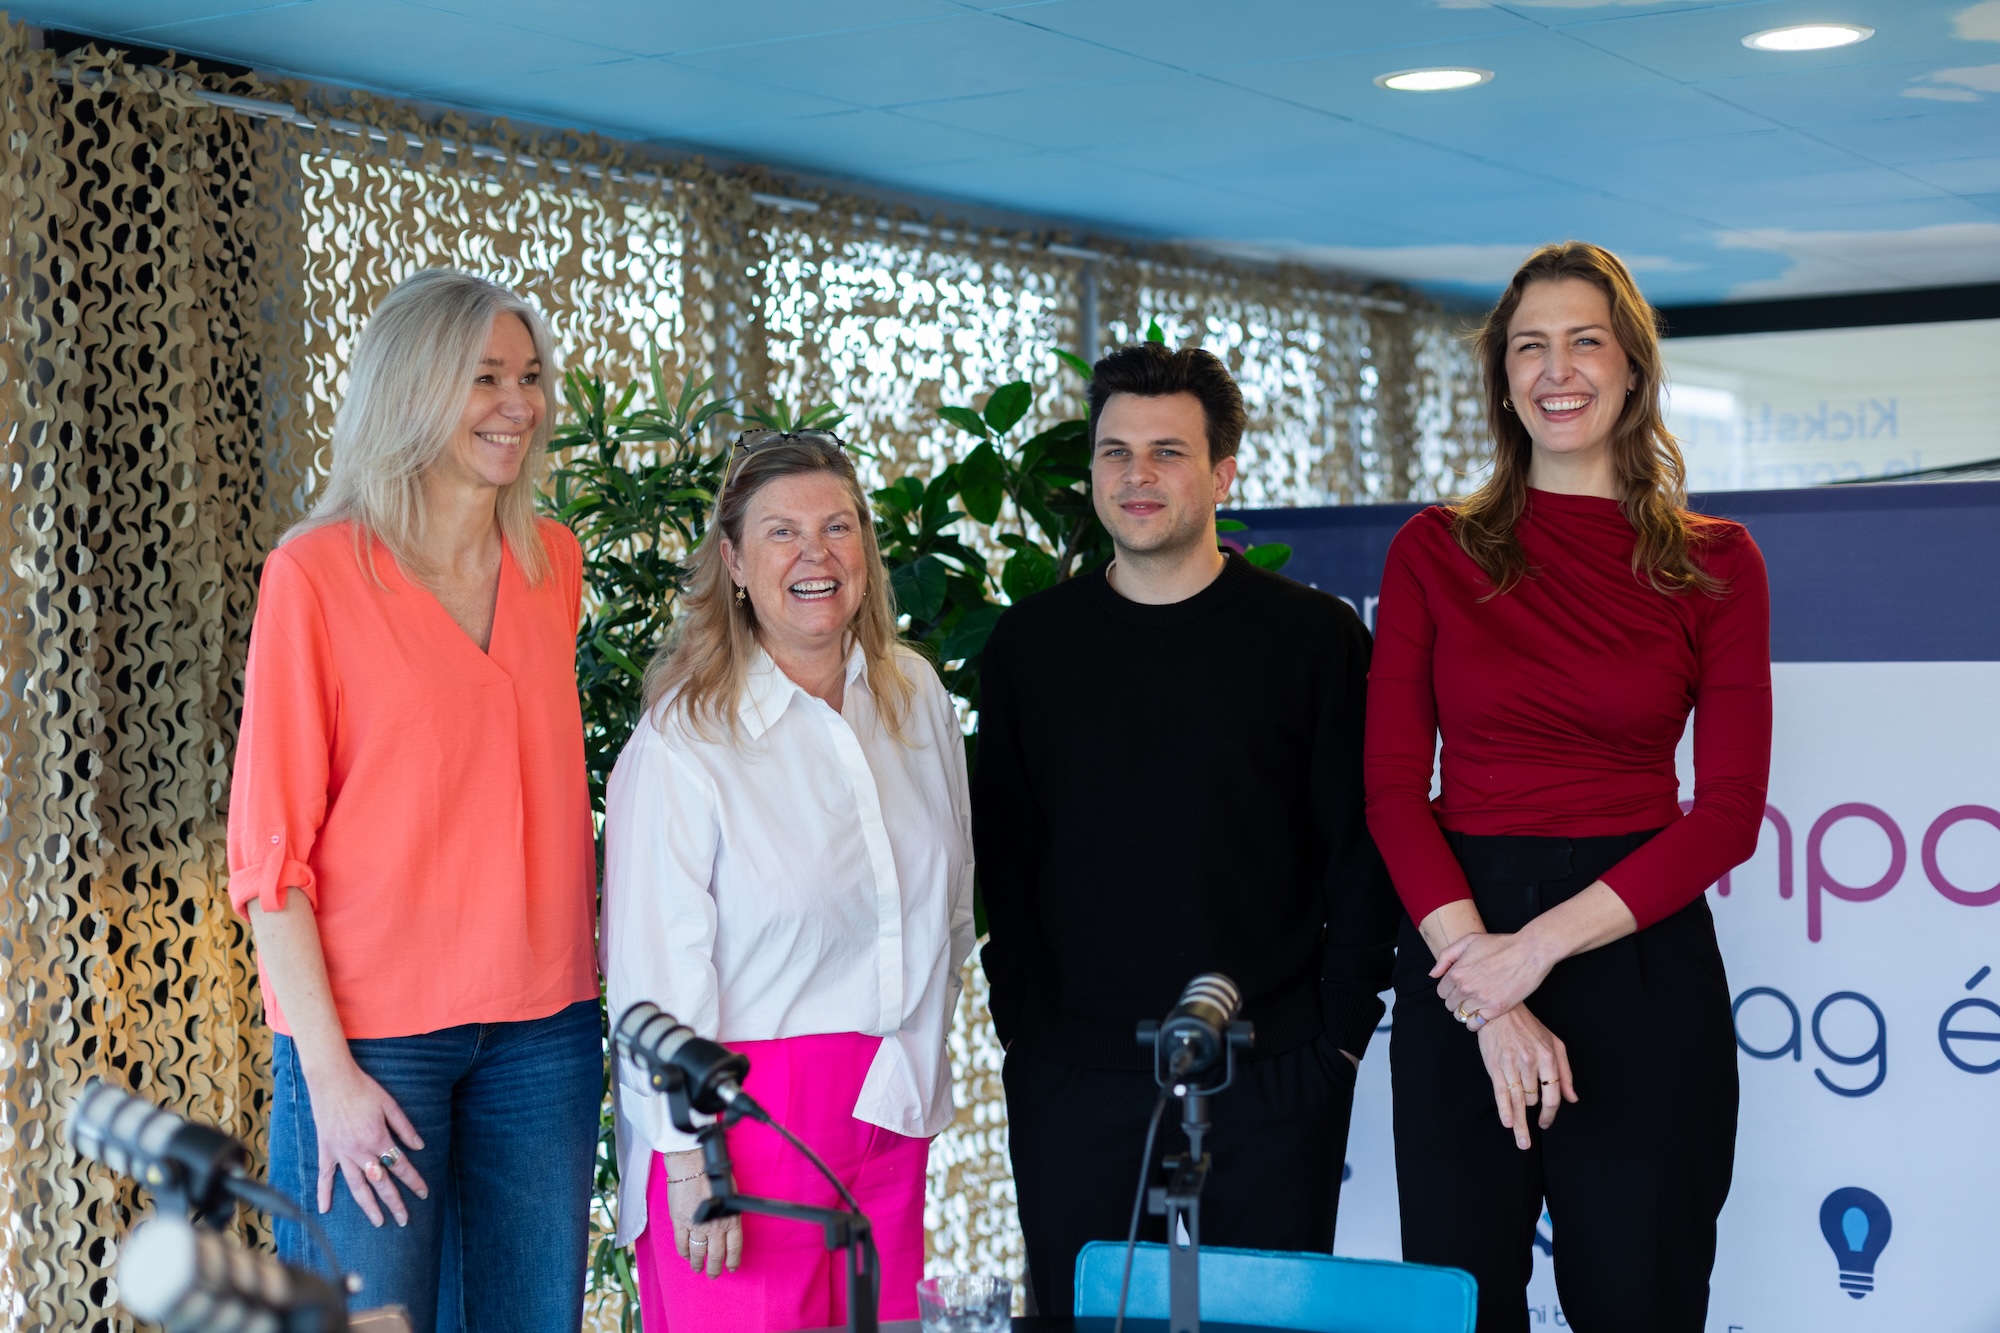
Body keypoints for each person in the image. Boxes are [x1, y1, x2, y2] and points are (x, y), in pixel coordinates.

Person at [1365, 241, 1771, 1333]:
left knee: (1637, 1299)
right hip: (1460, 943)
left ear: (1631, 368)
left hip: (1634, 960)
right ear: (1501, 377)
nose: (1557, 369)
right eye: (1528, 346)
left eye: (1583, 341)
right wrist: (1485, 985)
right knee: (1457, 1307)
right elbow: (1393, 792)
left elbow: (1727, 812)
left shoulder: (1716, 562)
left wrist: (1531, 951)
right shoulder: (1430, 552)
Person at [975, 342, 1399, 1317]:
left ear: (1220, 473)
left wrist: (1335, 1035)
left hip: (1271, 1065)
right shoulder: (1030, 647)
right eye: (1114, 451)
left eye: (1166, 451)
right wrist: (1025, 1026)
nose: (1135, 475)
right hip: (1072, 1071)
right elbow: (1006, 849)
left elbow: (1358, 844)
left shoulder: (1312, 639)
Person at [227, 270, 601, 1333]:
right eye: (484, 377)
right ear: (412, 389)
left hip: (544, 1032)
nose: (517, 404)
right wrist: (329, 1076)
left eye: (528, 377)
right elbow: (268, 860)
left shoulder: (549, 564)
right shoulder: (316, 575)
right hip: (372, 1042)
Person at [602, 429, 975, 1331]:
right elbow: (652, 980)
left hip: (891, 1109)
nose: (816, 553)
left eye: (837, 526)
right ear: (732, 560)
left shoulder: (915, 693)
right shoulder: (684, 740)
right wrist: (690, 1163)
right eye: (781, 532)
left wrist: (918, 1067)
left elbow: (952, 902)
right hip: (741, 1133)